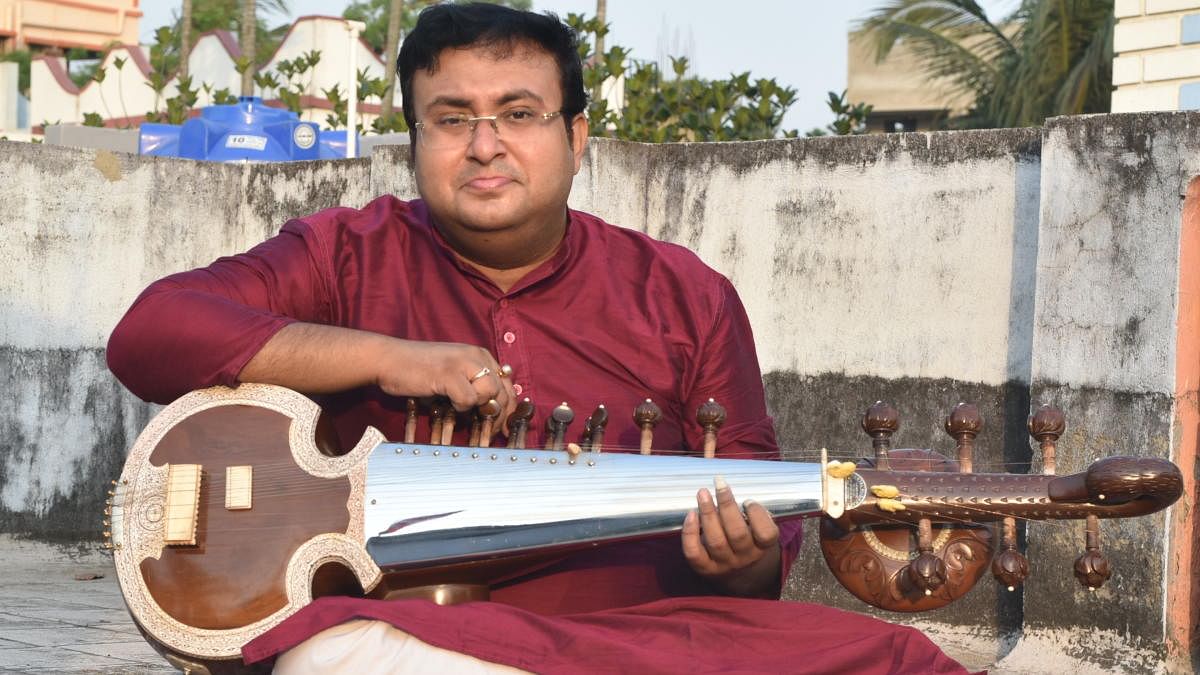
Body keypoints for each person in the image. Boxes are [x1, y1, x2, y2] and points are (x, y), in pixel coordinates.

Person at [107, 4, 969, 673]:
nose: (485, 146)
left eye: (518, 113)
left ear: (576, 136)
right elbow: (153, 332)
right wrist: (388, 356)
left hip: (644, 637)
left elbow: (760, 534)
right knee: (334, 657)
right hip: (419, 633)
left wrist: (741, 559)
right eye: (451, 119)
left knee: (899, 660)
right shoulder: (346, 255)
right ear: (414, 140)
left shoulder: (683, 295)